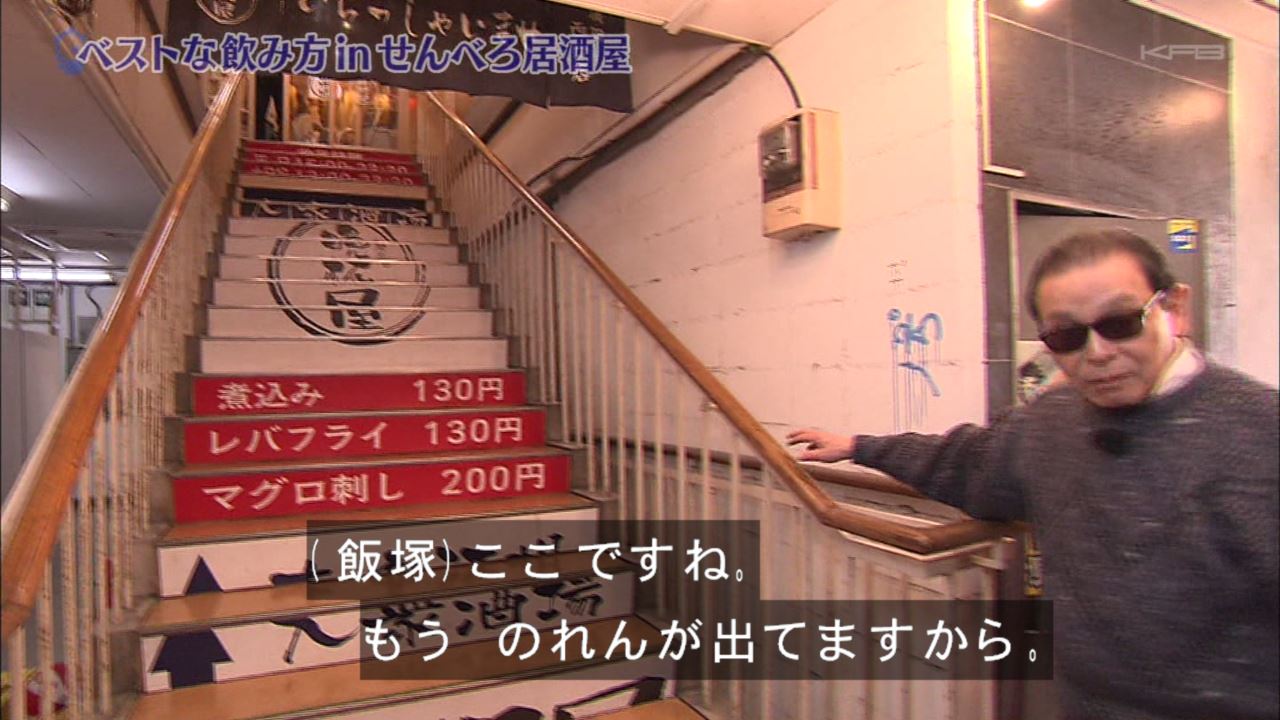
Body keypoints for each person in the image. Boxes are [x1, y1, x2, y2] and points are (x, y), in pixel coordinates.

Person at [787, 228, 1278, 719]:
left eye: (1120, 322)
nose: (1097, 353)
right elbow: (967, 462)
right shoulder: (1050, 422)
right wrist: (860, 447)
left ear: (1175, 308)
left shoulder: (1262, 432)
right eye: (1068, 336)